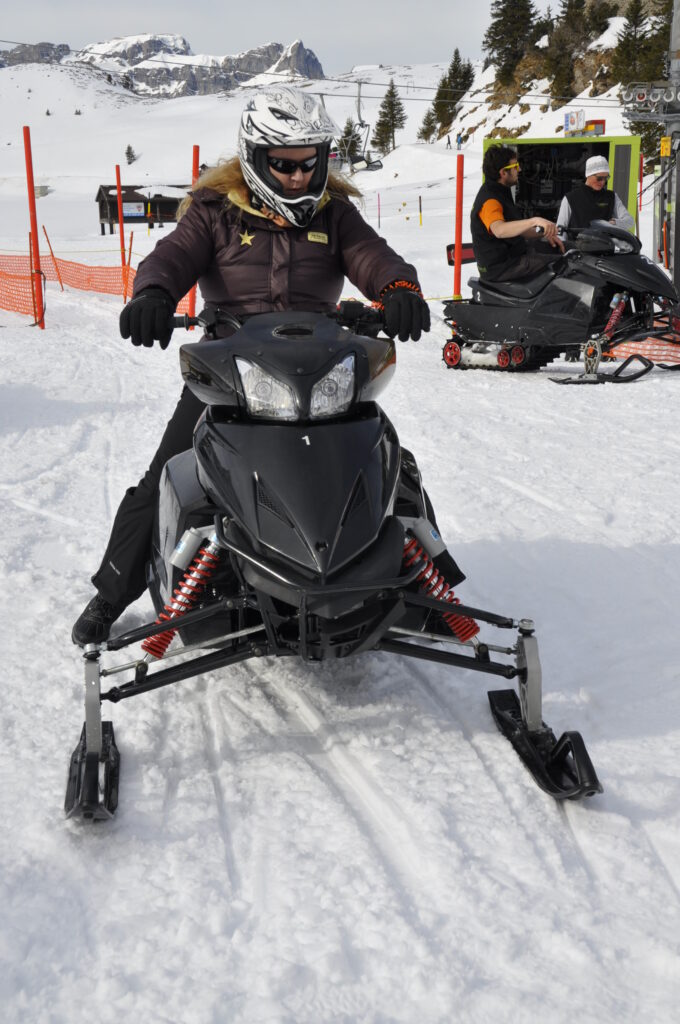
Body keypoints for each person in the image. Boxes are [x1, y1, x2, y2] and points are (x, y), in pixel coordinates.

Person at [72, 87, 432, 646]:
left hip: (321, 371)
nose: (296, 177)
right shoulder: (214, 212)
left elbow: (374, 256)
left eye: (308, 164)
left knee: (386, 460)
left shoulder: (335, 214)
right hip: (231, 376)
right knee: (167, 470)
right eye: (283, 165)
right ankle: (110, 593)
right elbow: (169, 258)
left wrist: (400, 288)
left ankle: (419, 581)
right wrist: (153, 295)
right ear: (254, 158)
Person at [470, 144, 564, 282]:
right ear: (503, 173)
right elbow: (499, 230)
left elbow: (517, 230)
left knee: (567, 252)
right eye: (515, 166)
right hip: (501, 267)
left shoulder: (501, 190)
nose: (519, 169)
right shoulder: (490, 199)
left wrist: (544, 233)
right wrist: (535, 220)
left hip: (514, 254)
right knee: (565, 265)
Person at [556, 155, 635, 233]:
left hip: (605, 244)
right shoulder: (571, 198)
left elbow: (630, 221)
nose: (603, 182)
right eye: (599, 178)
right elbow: (561, 228)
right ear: (588, 175)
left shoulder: (611, 196)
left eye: (606, 178)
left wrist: (613, 223)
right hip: (577, 244)